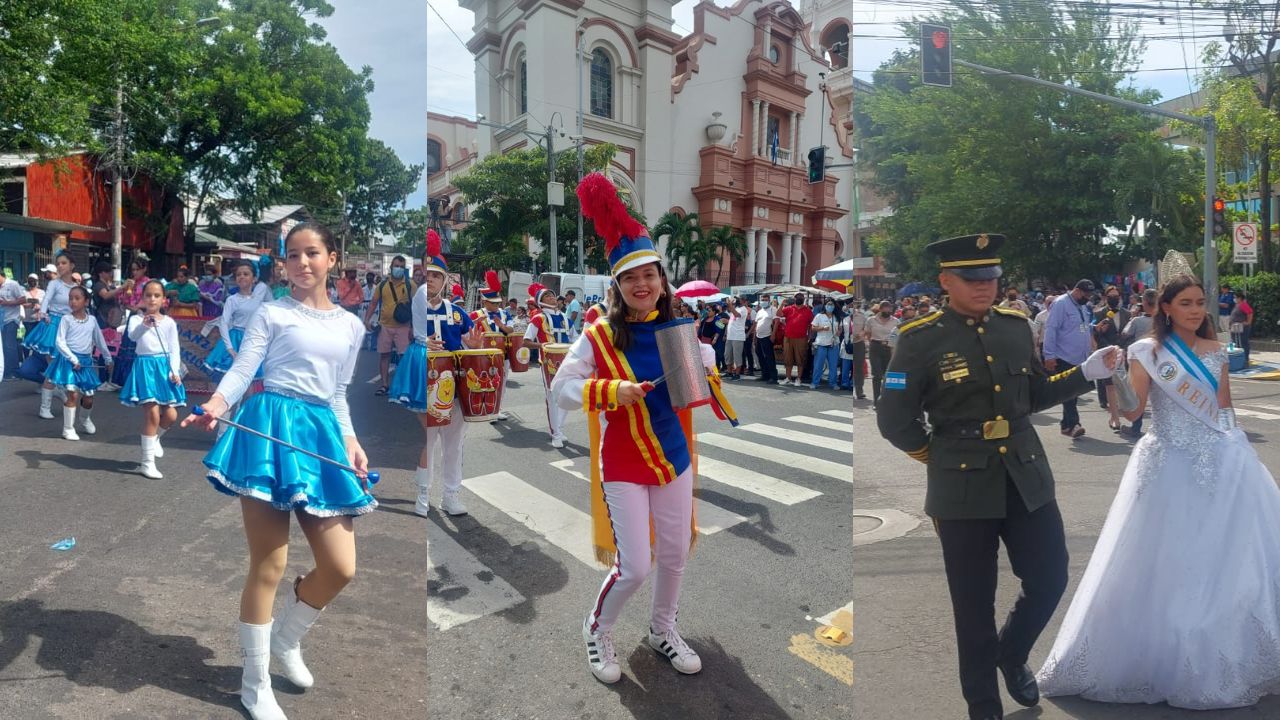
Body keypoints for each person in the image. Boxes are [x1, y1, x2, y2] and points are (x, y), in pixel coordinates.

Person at [876, 233, 1121, 720]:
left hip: (1025, 474)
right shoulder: (920, 338)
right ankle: (983, 707)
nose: (985, 286)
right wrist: (936, 457)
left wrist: (1082, 375)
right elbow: (894, 420)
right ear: (946, 281)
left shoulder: (1014, 326)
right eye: (972, 278)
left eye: (991, 276)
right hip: (961, 486)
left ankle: (1011, 654)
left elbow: (1029, 395)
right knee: (973, 607)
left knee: (1050, 577)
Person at [1037, 271, 1280, 710]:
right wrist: (1117, 378)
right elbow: (1133, 410)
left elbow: (1224, 409)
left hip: (1221, 460)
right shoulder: (1147, 351)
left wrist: (1236, 450)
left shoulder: (1217, 351)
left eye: (1200, 302)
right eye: (1185, 302)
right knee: (1163, 558)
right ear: (1165, 308)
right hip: (1168, 460)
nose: (1195, 309)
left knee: (1227, 556)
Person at [182, 222, 374, 720]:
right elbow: (245, 368)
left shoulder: (352, 327)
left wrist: (351, 441)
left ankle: (287, 640)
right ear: (283, 263)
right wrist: (218, 403)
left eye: (312, 253)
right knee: (269, 564)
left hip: (321, 437)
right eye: (293, 255)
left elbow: (337, 394)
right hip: (270, 427)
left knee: (340, 567)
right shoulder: (271, 313)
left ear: (333, 258)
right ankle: (254, 684)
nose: (302, 263)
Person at [552, 172, 723, 685]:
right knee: (635, 567)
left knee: (673, 554)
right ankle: (597, 627)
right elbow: (561, 388)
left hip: (673, 456)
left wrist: (708, 374)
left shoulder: (678, 326)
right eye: (631, 279)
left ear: (660, 279)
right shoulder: (599, 334)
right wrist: (611, 392)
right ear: (618, 286)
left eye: (649, 275)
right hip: (624, 462)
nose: (642, 285)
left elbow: (698, 391)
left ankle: (662, 628)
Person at [391, 230, 483, 517]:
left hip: (456, 385)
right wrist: (425, 342)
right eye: (427, 273)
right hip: (430, 380)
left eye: (437, 275)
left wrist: (476, 344)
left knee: (455, 444)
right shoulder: (420, 296)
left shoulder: (458, 312)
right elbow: (420, 336)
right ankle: (422, 495)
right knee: (431, 439)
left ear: (445, 281)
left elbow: (470, 341)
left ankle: (451, 495)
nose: (430, 279)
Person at [119, 280, 186, 477]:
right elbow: (132, 336)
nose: (152, 299)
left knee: (171, 415)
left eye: (157, 295)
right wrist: (145, 325)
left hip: (164, 369)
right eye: (148, 295)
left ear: (164, 300)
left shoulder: (169, 322)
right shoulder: (136, 319)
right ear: (142, 298)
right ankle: (147, 463)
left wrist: (174, 371)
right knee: (153, 413)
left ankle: (155, 438)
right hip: (145, 367)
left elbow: (174, 349)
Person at [44, 285, 114, 440]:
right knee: (72, 395)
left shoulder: (92, 320)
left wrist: (108, 358)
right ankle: (68, 429)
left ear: (86, 301)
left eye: (77, 298)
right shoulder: (66, 319)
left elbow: (99, 341)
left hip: (86, 362)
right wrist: (73, 359)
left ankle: (85, 418)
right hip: (70, 362)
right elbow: (60, 342)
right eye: (70, 298)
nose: (73, 301)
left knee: (88, 398)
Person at [1042, 279, 1097, 439]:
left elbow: (1081, 326)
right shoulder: (1060, 304)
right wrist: (1049, 355)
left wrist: (1095, 330)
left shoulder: (1082, 306)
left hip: (1080, 356)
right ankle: (1074, 425)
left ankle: (1066, 425)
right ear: (1078, 291)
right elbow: (1051, 329)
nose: (1088, 297)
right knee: (1069, 392)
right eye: (1086, 294)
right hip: (1063, 355)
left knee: (1073, 392)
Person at [27, 252, 80, 418]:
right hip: (54, 323)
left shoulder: (77, 287)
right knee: (54, 366)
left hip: (70, 326)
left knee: (63, 365)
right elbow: (46, 300)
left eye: (63, 263)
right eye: (58, 263)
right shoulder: (54, 284)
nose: (60, 266)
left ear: (72, 265)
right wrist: (43, 313)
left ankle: (57, 390)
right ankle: (45, 407)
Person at [522, 281, 573, 447]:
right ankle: (555, 433)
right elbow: (526, 342)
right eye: (547, 296)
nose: (552, 297)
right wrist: (542, 345)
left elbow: (576, 338)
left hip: (567, 361)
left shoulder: (565, 317)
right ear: (540, 301)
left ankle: (559, 427)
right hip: (548, 362)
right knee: (552, 397)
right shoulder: (538, 318)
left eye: (552, 295)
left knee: (567, 396)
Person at [203, 261, 265, 384]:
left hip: (253, 340)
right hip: (235, 339)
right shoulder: (232, 300)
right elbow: (224, 323)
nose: (241, 277)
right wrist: (230, 348)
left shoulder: (260, 299)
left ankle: (245, 404)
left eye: (246, 274)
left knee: (248, 383)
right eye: (238, 274)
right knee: (230, 382)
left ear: (254, 278)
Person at [363, 255, 415, 396]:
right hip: (385, 326)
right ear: (391, 267)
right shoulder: (382, 285)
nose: (398, 268)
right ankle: (385, 385)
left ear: (404, 269)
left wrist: (414, 328)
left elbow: (416, 307)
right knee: (384, 355)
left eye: (401, 267)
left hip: (404, 326)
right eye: (396, 266)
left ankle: (404, 387)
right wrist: (367, 319)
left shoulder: (410, 285)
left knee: (404, 357)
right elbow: (373, 303)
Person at [469, 270, 512, 422]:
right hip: (483, 354)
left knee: (501, 382)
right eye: (493, 302)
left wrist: (502, 325)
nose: (496, 305)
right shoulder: (475, 314)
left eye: (497, 302)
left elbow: (511, 330)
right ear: (485, 301)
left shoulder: (505, 314)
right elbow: (465, 331)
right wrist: (475, 322)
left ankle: (496, 409)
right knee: (483, 381)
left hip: (502, 353)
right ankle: (485, 408)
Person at [1116, 287, 1158, 438]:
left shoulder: (1137, 320)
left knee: (1138, 395)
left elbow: (1124, 334)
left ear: (1145, 303)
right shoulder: (1165, 320)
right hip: (1162, 360)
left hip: (1140, 361)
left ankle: (1136, 426)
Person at [777, 293, 813, 385]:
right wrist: (781, 304)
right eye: (797, 297)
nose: (799, 298)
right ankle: (788, 378)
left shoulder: (808, 310)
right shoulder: (789, 308)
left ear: (803, 299)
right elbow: (778, 314)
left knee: (800, 359)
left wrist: (809, 337)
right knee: (788, 359)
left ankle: (798, 379)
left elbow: (811, 325)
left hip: (801, 338)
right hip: (788, 337)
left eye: (801, 297)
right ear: (795, 298)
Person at [866, 300, 899, 401]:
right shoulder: (871, 320)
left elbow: (898, 335)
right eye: (885, 309)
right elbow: (868, 334)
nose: (887, 311)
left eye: (889, 309)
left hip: (889, 348)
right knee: (876, 375)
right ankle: (876, 400)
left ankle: (888, 399)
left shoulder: (896, 321)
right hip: (875, 347)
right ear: (880, 309)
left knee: (888, 374)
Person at [0, 271, 25, 379]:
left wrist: (7, 303)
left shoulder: (13, 284)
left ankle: (13, 371)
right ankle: (6, 370)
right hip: (1, 320)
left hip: (11, 319)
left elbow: (23, 299)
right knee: (4, 347)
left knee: (9, 346)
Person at [809, 299, 839, 390]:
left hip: (833, 344)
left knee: (833, 366)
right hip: (821, 343)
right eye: (828, 304)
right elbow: (813, 328)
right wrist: (822, 328)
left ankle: (833, 383)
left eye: (832, 305)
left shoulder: (836, 317)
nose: (830, 306)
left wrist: (839, 332)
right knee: (818, 365)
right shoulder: (819, 316)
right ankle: (815, 382)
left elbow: (840, 328)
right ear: (825, 306)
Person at [839, 302, 867, 397]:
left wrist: (860, 334)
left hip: (858, 343)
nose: (851, 308)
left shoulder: (862, 317)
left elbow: (866, 329)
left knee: (857, 368)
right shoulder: (845, 319)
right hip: (847, 344)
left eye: (853, 306)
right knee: (845, 365)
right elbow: (841, 330)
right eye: (850, 306)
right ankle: (844, 383)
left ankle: (855, 386)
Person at [753, 298, 778, 385]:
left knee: (769, 357)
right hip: (758, 336)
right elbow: (756, 324)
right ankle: (765, 375)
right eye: (762, 299)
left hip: (767, 336)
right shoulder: (760, 311)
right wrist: (754, 338)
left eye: (765, 299)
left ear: (769, 301)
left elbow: (776, 322)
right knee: (759, 355)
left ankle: (773, 377)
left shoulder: (773, 309)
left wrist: (773, 334)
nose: (764, 301)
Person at [724, 297, 749, 380]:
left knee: (737, 356)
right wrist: (726, 321)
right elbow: (733, 321)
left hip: (738, 336)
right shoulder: (736, 308)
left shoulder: (743, 309)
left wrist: (730, 305)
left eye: (739, 299)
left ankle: (737, 374)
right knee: (727, 355)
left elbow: (736, 315)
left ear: (744, 301)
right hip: (730, 336)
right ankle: (729, 372)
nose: (737, 300)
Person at [1230, 288, 1254, 365]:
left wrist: (1248, 322)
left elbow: (1250, 313)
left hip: (1242, 328)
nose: (1234, 299)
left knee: (1243, 343)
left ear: (1239, 298)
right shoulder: (1238, 305)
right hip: (1236, 328)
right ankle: (1240, 359)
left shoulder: (1243, 305)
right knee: (1237, 343)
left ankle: (1245, 360)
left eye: (1235, 297)